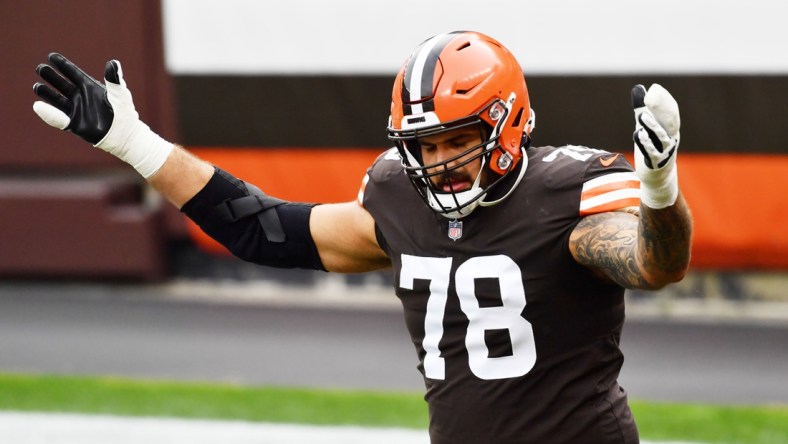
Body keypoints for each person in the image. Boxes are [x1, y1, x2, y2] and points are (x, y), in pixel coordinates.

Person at [32, 31, 692, 444]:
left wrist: (659, 191)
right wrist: (133, 142)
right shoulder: (400, 199)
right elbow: (265, 231)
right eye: (421, 145)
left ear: (507, 125)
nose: (435, 161)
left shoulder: (566, 189)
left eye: (455, 140)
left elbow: (654, 264)